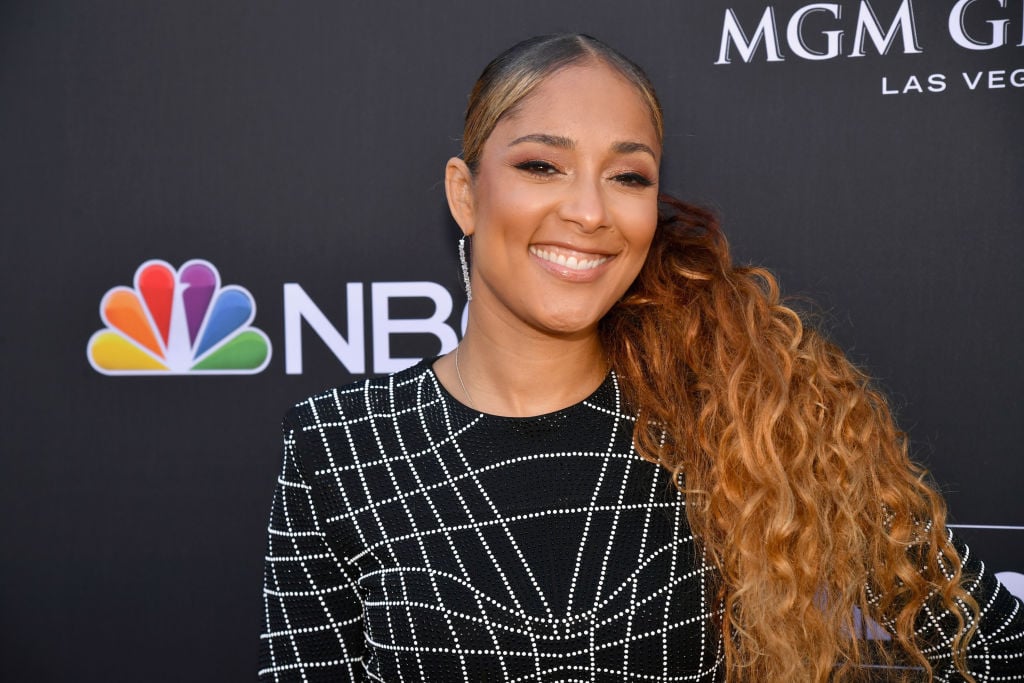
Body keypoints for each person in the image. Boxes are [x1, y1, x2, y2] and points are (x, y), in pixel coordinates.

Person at [259, 34, 1024, 682]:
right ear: (465, 193)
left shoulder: (738, 422)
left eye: (628, 176)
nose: (589, 210)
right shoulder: (337, 448)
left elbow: (994, 641)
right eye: (541, 165)